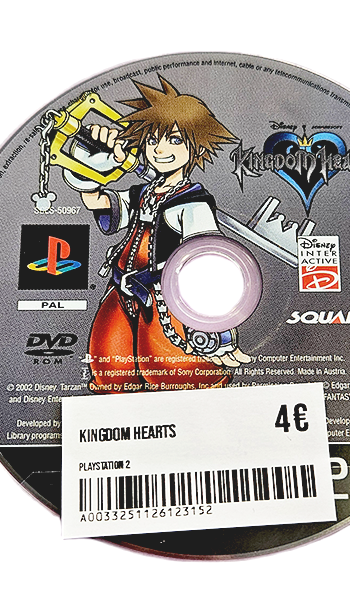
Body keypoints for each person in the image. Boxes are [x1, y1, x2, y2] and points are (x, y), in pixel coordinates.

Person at [64, 75, 251, 393]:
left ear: (194, 148)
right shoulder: (143, 193)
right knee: (111, 369)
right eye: (152, 140)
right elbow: (98, 202)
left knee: (176, 375)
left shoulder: (193, 203)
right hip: (121, 293)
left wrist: (217, 330)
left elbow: (206, 264)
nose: (160, 149)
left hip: (166, 303)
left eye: (175, 140)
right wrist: (88, 165)